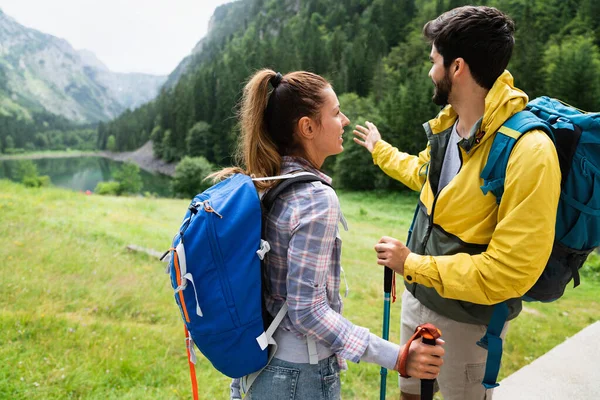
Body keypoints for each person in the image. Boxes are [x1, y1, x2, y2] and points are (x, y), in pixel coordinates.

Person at [353, 6, 561, 400]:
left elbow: (509, 272)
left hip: (469, 324)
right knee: (411, 393)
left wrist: (410, 263)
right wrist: (380, 150)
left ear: (458, 67)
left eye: (434, 61)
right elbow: (423, 175)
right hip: (419, 297)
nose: (430, 71)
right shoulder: (452, 125)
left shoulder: (530, 151)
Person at [215, 69, 445, 400]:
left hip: (257, 363)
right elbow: (307, 311)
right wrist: (396, 356)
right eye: (336, 113)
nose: (346, 120)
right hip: (298, 375)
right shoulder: (315, 198)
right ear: (307, 127)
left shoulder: (266, 180)